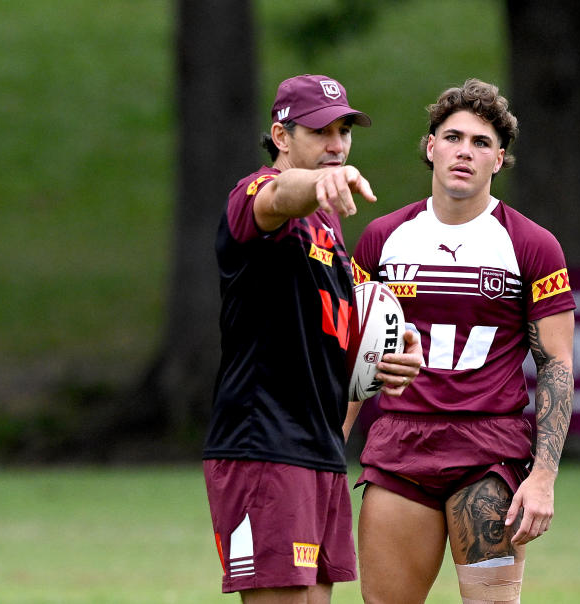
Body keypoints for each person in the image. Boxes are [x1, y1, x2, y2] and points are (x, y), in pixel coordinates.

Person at [350, 78, 576, 603]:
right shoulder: (383, 239)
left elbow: (557, 364)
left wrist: (543, 478)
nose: (464, 152)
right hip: (399, 446)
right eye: (453, 137)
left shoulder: (532, 246)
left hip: (488, 450)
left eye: (481, 143)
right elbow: (352, 358)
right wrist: (325, 453)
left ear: (499, 160)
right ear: (431, 146)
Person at [202, 74, 421, 604]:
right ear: (282, 136)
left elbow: (340, 334)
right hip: (264, 445)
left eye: (345, 130)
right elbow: (280, 194)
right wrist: (314, 185)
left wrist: (392, 345)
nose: (338, 145)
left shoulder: (329, 227)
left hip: (320, 447)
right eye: (322, 130)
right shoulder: (254, 199)